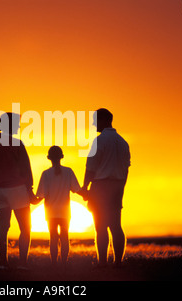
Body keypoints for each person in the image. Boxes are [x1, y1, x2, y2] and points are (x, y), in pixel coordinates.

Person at [81, 108, 131, 268]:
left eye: (96, 121)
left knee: (100, 226)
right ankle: (118, 262)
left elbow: (91, 167)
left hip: (100, 186)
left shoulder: (99, 141)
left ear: (104, 120)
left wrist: (85, 187)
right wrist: (121, 185)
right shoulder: (123, 142)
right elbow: (126, 168)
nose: (94, 124)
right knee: (116, 225)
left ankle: (102, 262)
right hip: (118, 185)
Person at [0, 112, 35, 270]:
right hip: (17, 189)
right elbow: (26, 169)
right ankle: (22, 263)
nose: (19, 127)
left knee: (3, 227)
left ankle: (3, 263)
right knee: (25, 228)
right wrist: (30, 190)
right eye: (16, 124)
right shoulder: (17, 144)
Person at [35, 146, 82, 269]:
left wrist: (31, 199)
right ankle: (64, 263)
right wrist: (88, 194)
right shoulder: (68, 172)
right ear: (62, 156)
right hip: (65, 212)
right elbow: (77, 189)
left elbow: (40, 195)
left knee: (53, 237)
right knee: (65, 236)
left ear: (48, 158)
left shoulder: (45, 174)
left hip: (50, 213)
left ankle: (54, 263)